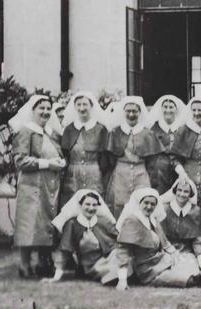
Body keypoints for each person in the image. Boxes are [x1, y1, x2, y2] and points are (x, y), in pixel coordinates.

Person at [10, 95, 65, 278]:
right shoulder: (25, 132)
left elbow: (59, 153)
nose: (45, 112)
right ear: (32, 111)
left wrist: (60, 162)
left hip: (50, 185)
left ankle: (44, 262)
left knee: (46, 223)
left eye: (48, 108)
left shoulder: (52, 133)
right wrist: (47, 164)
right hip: (31, 185)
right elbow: (20, 161)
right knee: (29, 223)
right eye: (41, 108)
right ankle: (25, 265)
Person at [114, 188, 194, 289]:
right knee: (189, 280)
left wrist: (175, 255)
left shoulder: (152, 219)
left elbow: (165, 242)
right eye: (146, 203)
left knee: (193, 269)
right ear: (139, 203)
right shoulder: (132, 220)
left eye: (153, 204)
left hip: (162, 261)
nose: (149, 207)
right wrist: (122, 280)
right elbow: (123, 251)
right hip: (148, 270)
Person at [171, 96, 201, 256]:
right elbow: (173, 156)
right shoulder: (183, 130)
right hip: (188, 177)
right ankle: (191, 254)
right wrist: (181, 172)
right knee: (189, 214)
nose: (197, 113)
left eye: (200, 110)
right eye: (194, 110)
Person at [104, 96, 164, 217]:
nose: (131, 114)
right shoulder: (115, 132)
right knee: (119, 205)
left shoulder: (148, 133)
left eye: (135, 111)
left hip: (141, 173)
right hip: (120, 173)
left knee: (142, 204)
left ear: (140, 112)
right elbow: (110, 159)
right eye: (128, 111)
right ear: (123, 112)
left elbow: (152, 162)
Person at [45, 190, 122, 283]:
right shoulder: (72, 224)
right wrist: (56, 277)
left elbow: (119, 239)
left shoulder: (103, 221)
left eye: (94, 205)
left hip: (110, 257)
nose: (91, 208)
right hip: (91, 265)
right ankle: (117, 275)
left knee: (122, 256)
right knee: (112, 268)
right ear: (80, 205)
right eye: (87, 204)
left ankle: (119, 273)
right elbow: (64, 250)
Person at [59, 92, 110, 206]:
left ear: (91, 106)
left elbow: (105, 159)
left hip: (93, 174)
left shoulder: (100, 129)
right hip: (72, 174)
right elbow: (64, 154)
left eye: (85, 104)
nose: (82, 108)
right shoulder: (69, 129)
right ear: (75, 107)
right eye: (78, 104)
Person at [158, 175, 201, 286]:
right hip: (166, 251)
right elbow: (161, 238)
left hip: (186, 252)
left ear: (190, 194)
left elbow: (198, 241)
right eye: (179, 190)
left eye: (186, 191)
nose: (182, 194)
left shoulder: (196, 211)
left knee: (192, 275)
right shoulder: (165, 209)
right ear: (175, 191)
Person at [146, 95, 186, 193]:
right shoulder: (154, 128)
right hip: (158, 171)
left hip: (179, 169)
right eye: (165, 107)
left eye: (171, 107)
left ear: (176, 109)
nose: (168, 110)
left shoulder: (182, 128)